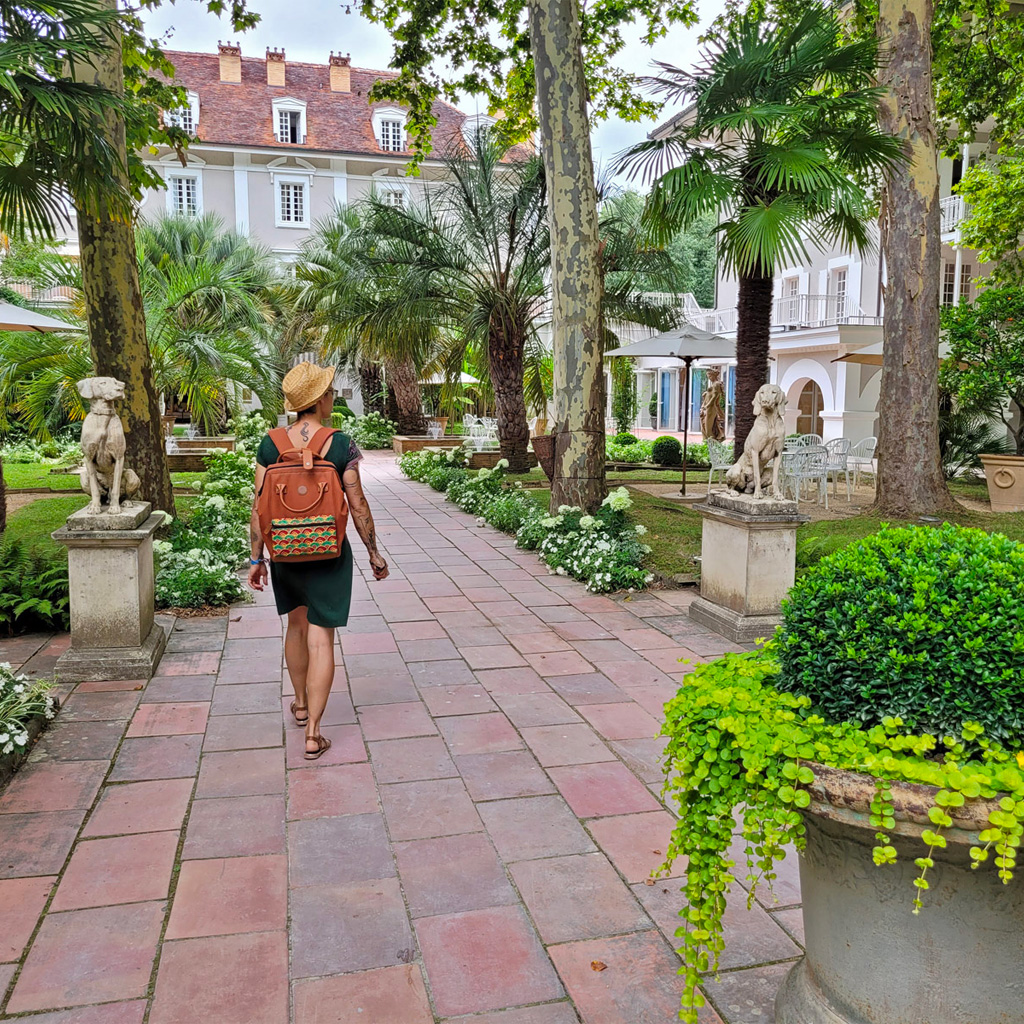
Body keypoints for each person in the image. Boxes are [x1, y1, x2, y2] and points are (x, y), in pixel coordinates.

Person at [248, 361, 388, 759]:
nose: (331, 397)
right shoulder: (341, 444)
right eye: (329, 392)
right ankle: (313, 732)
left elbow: (258, 506)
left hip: (286, 552)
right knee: (321, 633)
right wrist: (373, 552)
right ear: (321, 399)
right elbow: (357, 502)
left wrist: (257, 557)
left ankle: (300, 702)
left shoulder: (270, 444)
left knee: (295, 624)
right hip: (328, 549)